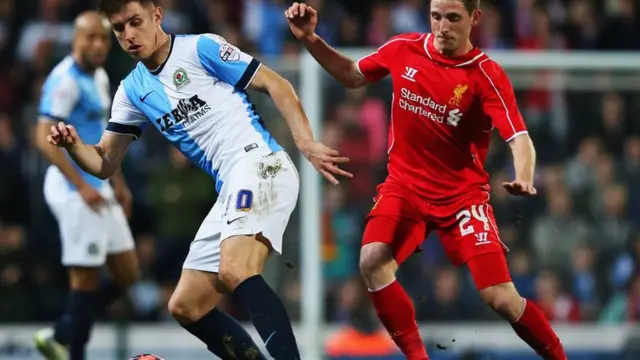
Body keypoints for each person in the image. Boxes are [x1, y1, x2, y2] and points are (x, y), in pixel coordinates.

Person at [49, 1, 352, 359]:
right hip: (230, 188)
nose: (129, 35)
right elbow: (103, 162)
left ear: (156, 16)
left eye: (135, 22)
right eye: (119, 28)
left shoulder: (200, 48)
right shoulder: (132, 91)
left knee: (236, 268)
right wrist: (73, 146)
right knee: (186, 305)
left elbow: (277, 83)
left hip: (260, 165)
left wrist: (306, 142)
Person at [286, 1, 567, 359]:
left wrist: (524, 176)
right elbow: (353, 74)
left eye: (453, 18)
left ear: (474, 18)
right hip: (405, 187)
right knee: (372, 260)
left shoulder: (485, 75)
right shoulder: (404, 48)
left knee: (500, 298)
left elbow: (519, 138)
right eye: (436, 16)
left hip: (463, 198)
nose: (442, 26)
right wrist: (310, 39)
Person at [34, 11, 139, 360]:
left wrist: (117, 182)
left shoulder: (100, 78)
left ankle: (63, 331)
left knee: (128, 275)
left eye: (104, 39)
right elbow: (40, 137)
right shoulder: (64, 80)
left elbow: (103, 140)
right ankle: (72, 347)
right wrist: (81, 186)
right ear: (75, 40)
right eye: (90, 37)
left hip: (99, 182)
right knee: (87, 279)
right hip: (72, 188)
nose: (98, 45)